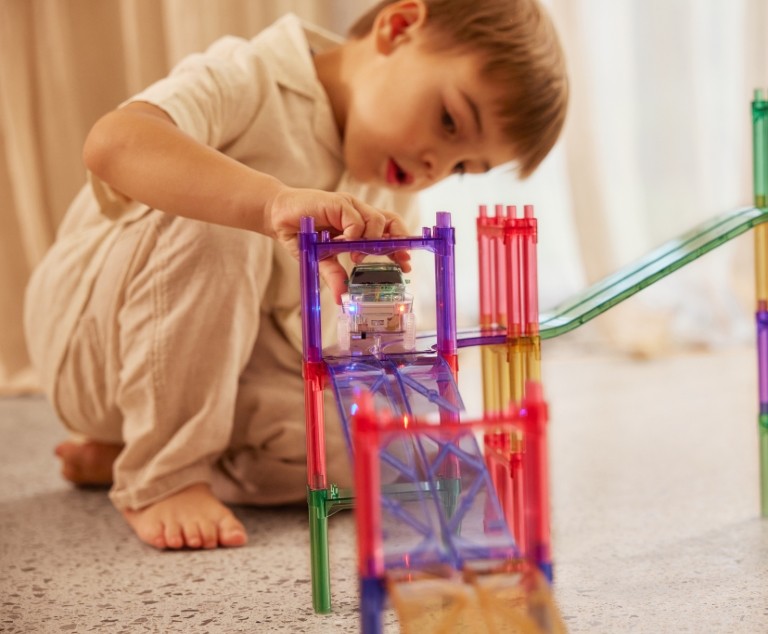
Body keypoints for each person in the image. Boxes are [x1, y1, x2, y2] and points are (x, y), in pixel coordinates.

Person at [23, 0, 568, 551]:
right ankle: (163, 475)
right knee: (222, 226)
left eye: (462, 168)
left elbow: (336, 346)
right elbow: (113, 142)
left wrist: (379, 318)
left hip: (229, 369)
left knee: (377, 454)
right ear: (399, 28)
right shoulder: (252, 75)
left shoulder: (389, 183)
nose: (437, 167)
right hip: (95, 344)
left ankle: (140, 448)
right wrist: (268, 203)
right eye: (449, 121)